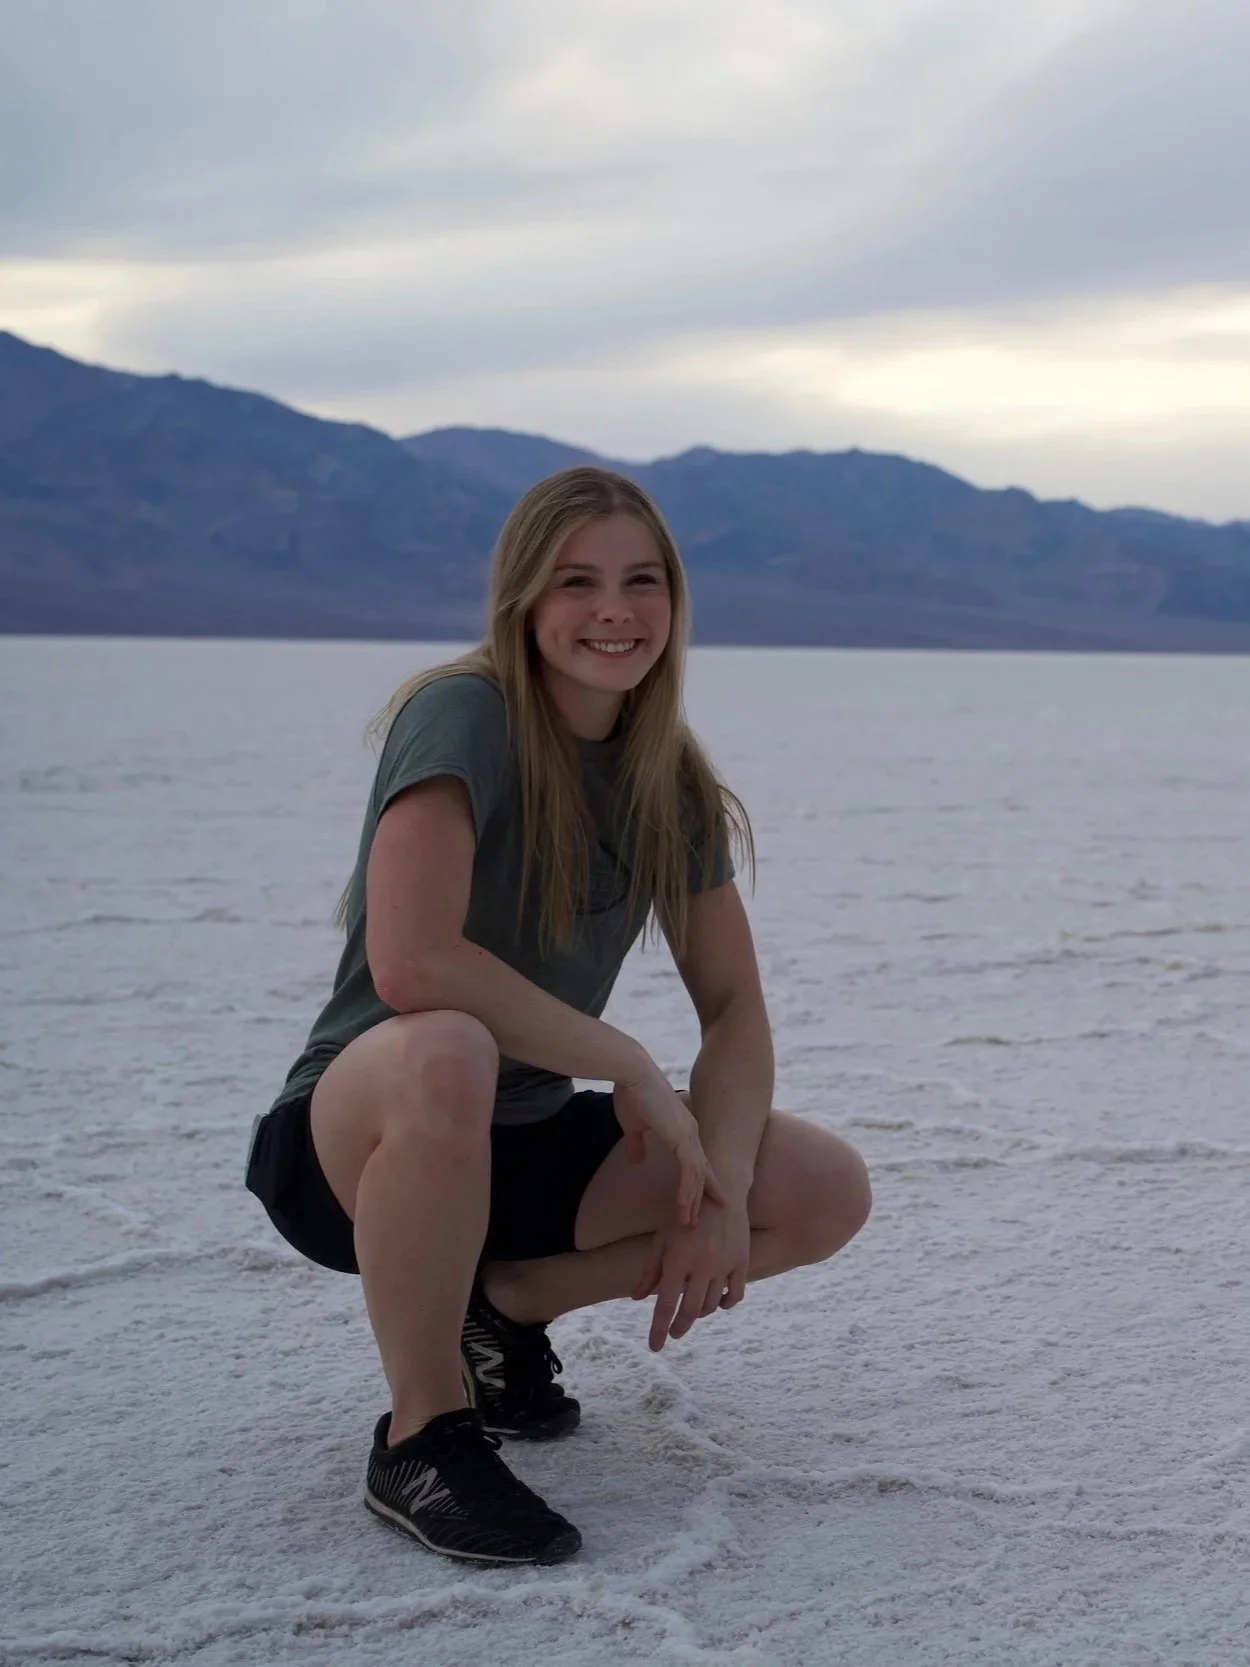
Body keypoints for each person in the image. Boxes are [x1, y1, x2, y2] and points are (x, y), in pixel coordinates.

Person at [245, 466, 872, 1567]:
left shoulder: (660, 773)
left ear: (673, 603)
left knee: (819, 1189)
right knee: (449, 1043)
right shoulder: (463, 713)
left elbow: (732, 1005)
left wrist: (718, 1177)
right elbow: (411, 960)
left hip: (521, 1145)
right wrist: (623, 1059)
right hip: (362, 1135)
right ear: (523, 601)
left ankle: (505, 1301)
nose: (612, 610)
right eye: (575, 581)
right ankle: (422, 1433)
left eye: (641, 580)